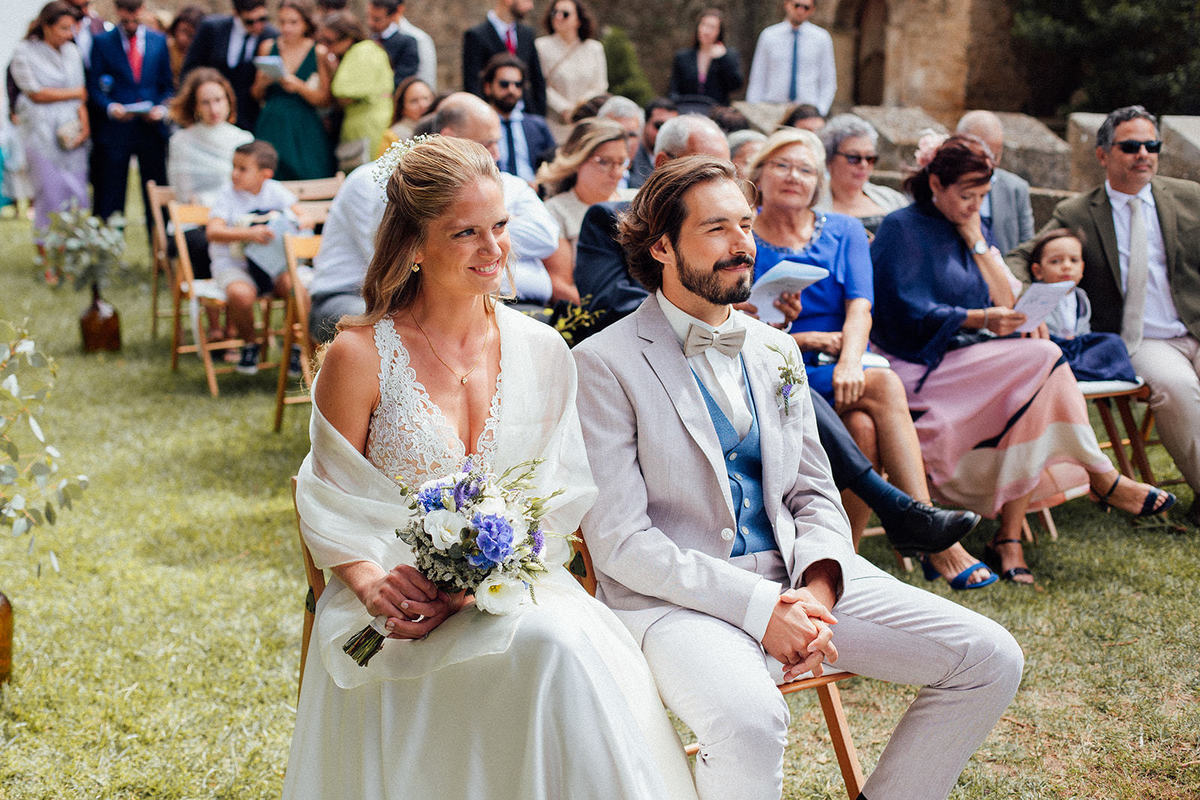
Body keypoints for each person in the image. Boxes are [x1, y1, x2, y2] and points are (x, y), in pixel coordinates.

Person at [573, 154, 1023, 800]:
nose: (743, 247)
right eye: (718, 230)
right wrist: (762, 611)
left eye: (747, 226)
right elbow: (621, 543)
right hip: (678, 600)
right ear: (662, 246)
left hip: (799, 574)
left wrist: (816, 591)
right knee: (752, 721)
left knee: (990, 658)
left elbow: (813, 491)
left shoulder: (776, 349)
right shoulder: (602, 365)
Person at [280, 134, 699, 800]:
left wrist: (481, 584)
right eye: (466, 232)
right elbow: (327, 501)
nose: (495, 248)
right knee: (553, 651)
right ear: (413, 244)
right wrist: (371, 585)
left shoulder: (541, 349)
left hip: (516, 585)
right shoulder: (359, 355)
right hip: (393, 602)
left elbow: (559, 498)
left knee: (560, 647)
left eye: (500, 226)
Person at [573, 114, 979, 561]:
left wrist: (824, 573)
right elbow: (606, 297)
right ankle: (902, 512)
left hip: (792, 555)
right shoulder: (605, 228)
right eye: (703, 167)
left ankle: (883, 532)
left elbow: (813, 487)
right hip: (654, 362)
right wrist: (694, 305)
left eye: (744, 223)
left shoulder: (769, 333)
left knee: (985, 637)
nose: (739, 239)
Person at [871, 134, 1175, 584]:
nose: (974, 205)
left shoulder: (971, 226)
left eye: (982, 196)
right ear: (935, 182)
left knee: (1040, 379)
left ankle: (1012, 537)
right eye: (966, 195)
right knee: (1046, 359)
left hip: (970, 357)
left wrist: (975, 240)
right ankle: (1101, 477)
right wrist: (978, 318)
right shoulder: (901, 226)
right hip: (915, 363)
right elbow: (903, 309)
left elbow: (1006, 298)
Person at [750, 127, 991, 588]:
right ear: (759, 172)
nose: (793, 177)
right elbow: (734, 323)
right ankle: (930, 535)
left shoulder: (842, 230)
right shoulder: (743, 235)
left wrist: (849, 361)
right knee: (883, 386)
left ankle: (846, 561)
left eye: (804, 169)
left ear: (818, 180)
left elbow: (862, 306)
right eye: (781, 165)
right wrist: (809, 341)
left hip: (842, 367)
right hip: (775, 369)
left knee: (863, 425)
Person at [1008, 105, 1200, 527]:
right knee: (1177, 388)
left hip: (1194, 324)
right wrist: (1031, 306)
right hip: (1142, 339)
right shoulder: (1078, 213)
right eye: (1131, 146)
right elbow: (1022, 258)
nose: (1144, 154)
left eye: (1152, 146)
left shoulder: (1189, 198)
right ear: (1102, 155)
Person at [308, 93, 561, 342]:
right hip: (352, 296)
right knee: (414, 334)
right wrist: (473, 256)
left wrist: (462, 243)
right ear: (450, 137)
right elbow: (391, 266)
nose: (496, 154)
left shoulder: (499, 180)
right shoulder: (373, 180)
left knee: (525, 329)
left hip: (454, 298)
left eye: (499, 225)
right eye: (486, 144)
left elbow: (547, 238)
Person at [206, 140, 310, 375]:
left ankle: (295, 346)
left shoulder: (275, 190)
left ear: (265, 174)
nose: (234, 173)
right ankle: (250, 344)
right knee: (240, 295)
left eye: (242, 169)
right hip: (236, 265)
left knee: (297, 288)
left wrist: (289, 222)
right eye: (233, 166)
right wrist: (249, 234)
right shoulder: (227, 195)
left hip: (273, 265)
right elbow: (212, 231)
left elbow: (305, 218)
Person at [86, 0, 173, 227]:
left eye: (135, 16)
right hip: (117, 130)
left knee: (154, 190)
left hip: (150, 129)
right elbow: (94, 87)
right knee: (111, 193)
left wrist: (160, 109)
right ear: (118, 11)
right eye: (126, 17)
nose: (131, 22)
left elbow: (167, 86)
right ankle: (110, 251)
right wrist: (111, 107)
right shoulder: (102, 42)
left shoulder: (159, 41)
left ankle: (160, 251)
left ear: (143, 9)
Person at [10, 1, 90, 241]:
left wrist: (85, 126)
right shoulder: (24, 52)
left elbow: (82, 97)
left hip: (72, 131)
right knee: (49, 193)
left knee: (76, 191)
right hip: (40, 133)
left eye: (71, 28)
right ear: (46, 25)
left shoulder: (72, 52)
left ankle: (75, 250)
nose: (69, 34)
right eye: (63, 28)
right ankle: (47, 253)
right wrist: (74, 93)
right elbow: (34, 92)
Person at [535, 117, 635, 296]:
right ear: (578, 160)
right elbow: (561, 285)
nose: (616, 173)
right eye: (604, 162)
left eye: (622, 163)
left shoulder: (637, 200)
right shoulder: (555, 211)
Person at [1027, 227, 1136, 383]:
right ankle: (1070, 371)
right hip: (1051, 346)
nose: (1066, 266)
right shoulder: (1037, 295)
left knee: (1112, 342)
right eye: (1055, 261)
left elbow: (1084, 330)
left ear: (1082, 268)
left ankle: (1075, 370)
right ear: (1038, 271)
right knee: (1045, 352)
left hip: (1076, 348)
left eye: (1073, 260)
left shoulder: (1081, 297)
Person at [251, 0, 335, 181]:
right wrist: (264, 82)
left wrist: (299, 87)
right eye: (282, 22)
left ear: (305, 23)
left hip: (304, 125)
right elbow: (255, 94)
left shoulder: (318, 51)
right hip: (271, 122)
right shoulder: (267, 47)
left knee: (309, 173)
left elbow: (326, 99)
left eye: (293, 22)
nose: (286, 28)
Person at [181, 0, 279, 132]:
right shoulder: (212, 28)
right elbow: (190, 70)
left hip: (249, 117)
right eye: (250, 21)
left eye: (262, 19)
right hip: (211, 113)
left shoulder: (272, 36)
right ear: (236, 14)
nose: (257, 25)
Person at [319, 12, 392, 172]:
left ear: (348, 38)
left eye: (330, 41)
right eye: (322, 41)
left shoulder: (363, 50)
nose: (326, 47)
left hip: (368, 126)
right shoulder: (363, 51)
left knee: (368, 175)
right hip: (362, 124)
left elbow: (344, 92)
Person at [815, 113, 907, 237]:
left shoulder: (893, 200)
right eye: (853, 157)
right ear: (829, 159)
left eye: (870, 158)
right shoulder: (813, 205)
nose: (863, 164)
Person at [956, 110, 1033, 255]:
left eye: (996, 156)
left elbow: (1027, 248)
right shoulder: (942, 188)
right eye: (981, 156)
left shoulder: (1017, 188)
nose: (989, 165)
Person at [745, 0, 835, 114]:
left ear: (812, 10)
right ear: (787, 5)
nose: (800, 11)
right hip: (772, 107)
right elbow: (758, 78)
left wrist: (820, 110)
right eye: (796, 5)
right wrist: (754, 110)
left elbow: (828, 80)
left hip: (807, 109)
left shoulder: (822, 38)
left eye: (806, 7)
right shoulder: (769, 35)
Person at [534, 0, 606, 142]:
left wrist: (581, 108)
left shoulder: (594, 48)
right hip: (554, 123)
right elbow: (540, 84)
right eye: (555, 12)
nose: (558, 17)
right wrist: (565, 109)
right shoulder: (541, 46)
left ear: (578, 20)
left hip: (586, 122)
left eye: (565, 14)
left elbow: (600, 85)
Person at [463, 0, 546, 117]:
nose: (531, 6)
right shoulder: (476, 35)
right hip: (491, 117)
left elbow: (537, 80)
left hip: (526, 115)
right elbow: (472, 84)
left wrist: (538, 116)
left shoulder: (527, 34)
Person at [482, 53, 555, 182]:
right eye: (504, 84)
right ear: (488, 87)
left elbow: (555, 164)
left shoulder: (537, 126)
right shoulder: (478, 127)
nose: (512, 90)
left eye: (518, 84)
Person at [668, 9, 743, 106]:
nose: (706, 31)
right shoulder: (683, 56)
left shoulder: (729, 55)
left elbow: (735, 85)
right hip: (687, 109)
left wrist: (723, 58)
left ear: (719, 31)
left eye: (712, 27)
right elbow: (674, 89)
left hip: (717, 110)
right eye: (703, 25)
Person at [365, 0, 418, 88]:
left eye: (377, 19)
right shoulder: (369, 41)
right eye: (368, 17)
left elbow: (404, 78)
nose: (370, 23)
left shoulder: (407, 43)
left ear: (393, 16)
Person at [628, 97, 677, 188]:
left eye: (670, 128)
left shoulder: (678, 159)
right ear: (644, 124)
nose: (663, 133)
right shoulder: (630, 154)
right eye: (659, 126)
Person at [379, 75, 432, 152]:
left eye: (425, 98)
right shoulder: (392, 136)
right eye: (414, 101)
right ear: (402, 107)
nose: (422, 105)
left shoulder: (441, 128)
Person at [166, 5, 204, 85]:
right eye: (183, 31)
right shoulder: (166, 49)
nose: (183, 38)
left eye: (191, 35)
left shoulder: (202, 55)